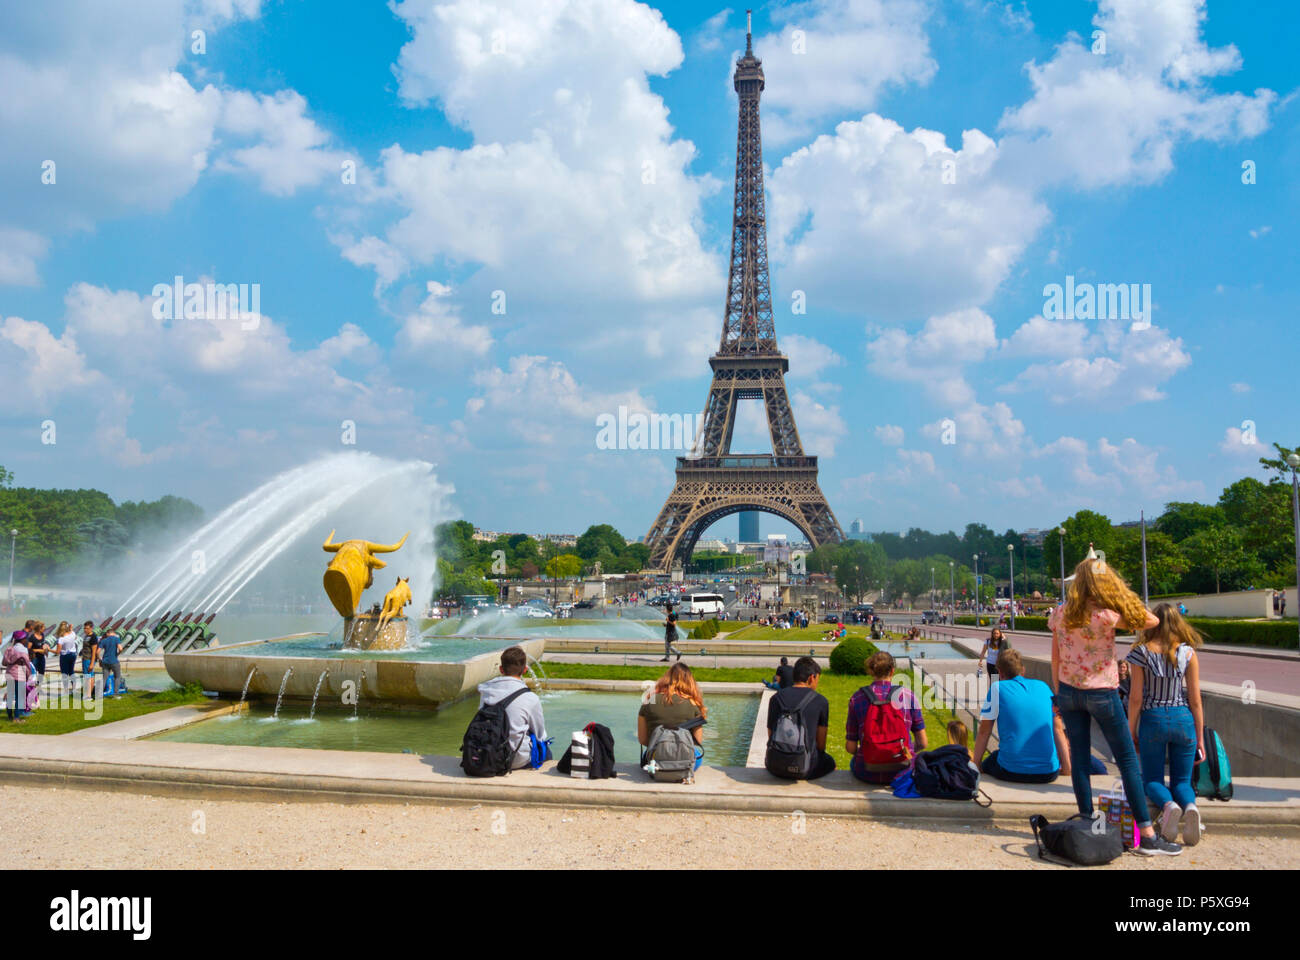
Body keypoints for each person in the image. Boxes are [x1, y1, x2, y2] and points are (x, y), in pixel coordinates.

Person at [1048, 549, 1180, 855]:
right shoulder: (1106, 615)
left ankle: (1086, 821)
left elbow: (1055, 656)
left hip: (1069, 692)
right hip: (1103, 693)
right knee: (1127, 761)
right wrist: (1116, 591)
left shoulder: (1060, 612)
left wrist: (1061, 689)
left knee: (1079, 760)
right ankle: (1147, 834)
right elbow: (1150, 620)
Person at [1127, 603, 1206, 847]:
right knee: (1182, 781)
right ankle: (1190, 807)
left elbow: (1136, 698)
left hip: (1154, 719)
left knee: (1152, 780)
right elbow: (1195, 700)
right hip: (1183, 719)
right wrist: (1200, 737)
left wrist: (1130, 732)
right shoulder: (1188, 653)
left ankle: (1169, 807)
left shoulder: (1141, 653)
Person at [971, 648, 1060, 783]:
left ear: (1000, 672)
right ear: (1022, 670)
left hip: (1011, 771)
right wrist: (1066, 768)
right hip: (1049, 772)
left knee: (991, 759)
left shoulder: (997, 688)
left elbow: (984, 731)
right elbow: (1058, 729)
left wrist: (976, 765)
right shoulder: (1044, 687)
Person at [846, 651, 927, 784]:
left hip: (867, 771)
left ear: (871, 671)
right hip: (903, 770)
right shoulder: (908, 695)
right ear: (892, 671)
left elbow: (851, 747)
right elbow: (923, 742)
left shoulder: (857, 698)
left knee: (854, 762)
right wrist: (903, 750)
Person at [474, 645, 548, 771]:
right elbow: (540, 734)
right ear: (525, 670)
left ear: (501, 669)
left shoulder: (485, 690)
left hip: (487, 753)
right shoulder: (531, 698)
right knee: (545, 750)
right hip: (515, 759)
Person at [765, 656, 835, 780]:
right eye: (817, 679)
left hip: (774, 765)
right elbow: (821, 745)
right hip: (805, 768)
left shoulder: (776, 698)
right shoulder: (820, 701)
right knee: (830, 763)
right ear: (811, 678)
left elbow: (771, 733)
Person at [638, 663, 706, 771]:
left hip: (655, 759)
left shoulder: (650, 700)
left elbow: (642, 740)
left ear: (666, 679)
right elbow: (698, 741)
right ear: (690, 682)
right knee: (696, 754)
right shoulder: (693, 703)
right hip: (685, 760)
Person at [3, 631, 31, 723]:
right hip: (20, 674)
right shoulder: (23, 650)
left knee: (10, 695)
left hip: (9, 673)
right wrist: (29, 674)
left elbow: (3, 663)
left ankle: (10, 716)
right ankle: (16, 718)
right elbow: (27, 664)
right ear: (22, 640)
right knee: (20, 697)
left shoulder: (9, 649)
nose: (26, 640)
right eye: (25, 639)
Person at [96, 625, 124, 697]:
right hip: (114, 661)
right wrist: (117, 654)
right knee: (117, 677)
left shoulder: (103, 641)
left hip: (105, 661)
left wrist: (100, 659)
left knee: (104, 678)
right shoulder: (116, 639)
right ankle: (116, 694)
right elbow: (121, 649)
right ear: (113, 633)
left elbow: (97, 652)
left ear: (107, 634)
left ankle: (99, 694)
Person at [55, 622, 79, 696]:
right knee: (71, 671)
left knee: (64, 673)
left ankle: (66, 691)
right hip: (73, 654)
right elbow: (75, 637)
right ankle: (74, 689)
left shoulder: (61, 639)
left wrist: (48, 650)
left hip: (65, 655)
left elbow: (57, 652)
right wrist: (71, 629)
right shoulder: (72, 634)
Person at [79, 622, 98, 701]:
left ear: (91, 628)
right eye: (84, 628)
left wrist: (91, 663)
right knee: (88, 677)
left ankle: (88, 695)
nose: (85, 630)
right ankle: (87, 694)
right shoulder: (87, 636)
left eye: (87, 628)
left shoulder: (93, 637)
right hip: (85, 658)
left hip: (89, 659)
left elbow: (94, 651)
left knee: (89, 677)